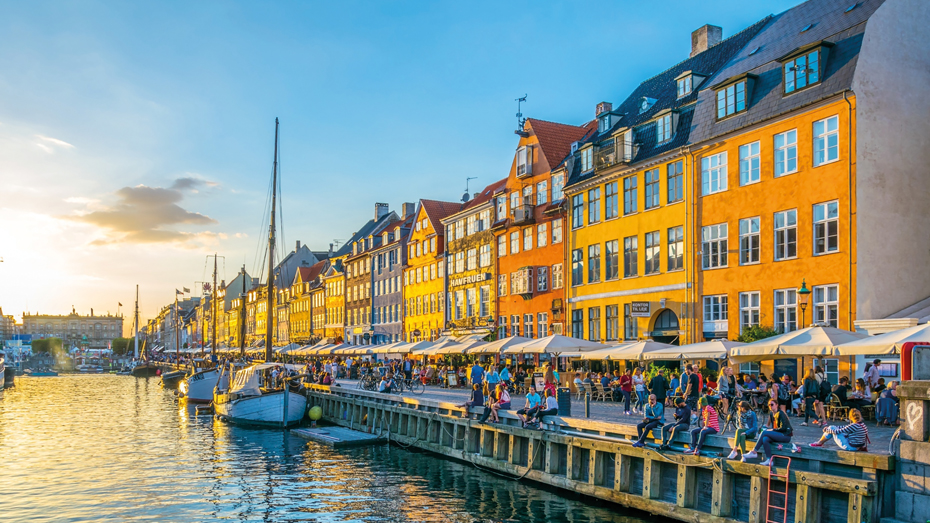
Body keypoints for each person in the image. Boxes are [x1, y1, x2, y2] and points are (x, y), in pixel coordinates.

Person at [742, 399, 794, 466]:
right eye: (769, 405)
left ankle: (754, 451)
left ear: (777, 405)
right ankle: (769, 460)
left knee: (764, 432)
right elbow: (773, 427)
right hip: (779, 434)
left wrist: (772, 430)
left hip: (785, 435)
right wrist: (771, 429)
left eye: (772, 404)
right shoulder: (772, 413)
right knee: (765, 439)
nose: (770, 406)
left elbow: (783, 428)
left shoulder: (781, 413)